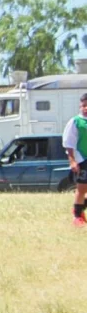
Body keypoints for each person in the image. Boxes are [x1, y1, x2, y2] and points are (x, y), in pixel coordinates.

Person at [62, 92, 87, 227]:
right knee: (82, 188)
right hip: (82, 158)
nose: (85, 108)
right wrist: (72, 160)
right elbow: (69, 143)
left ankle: (79, 208)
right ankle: (77, 216)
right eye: (83, 105)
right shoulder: (76, 122)